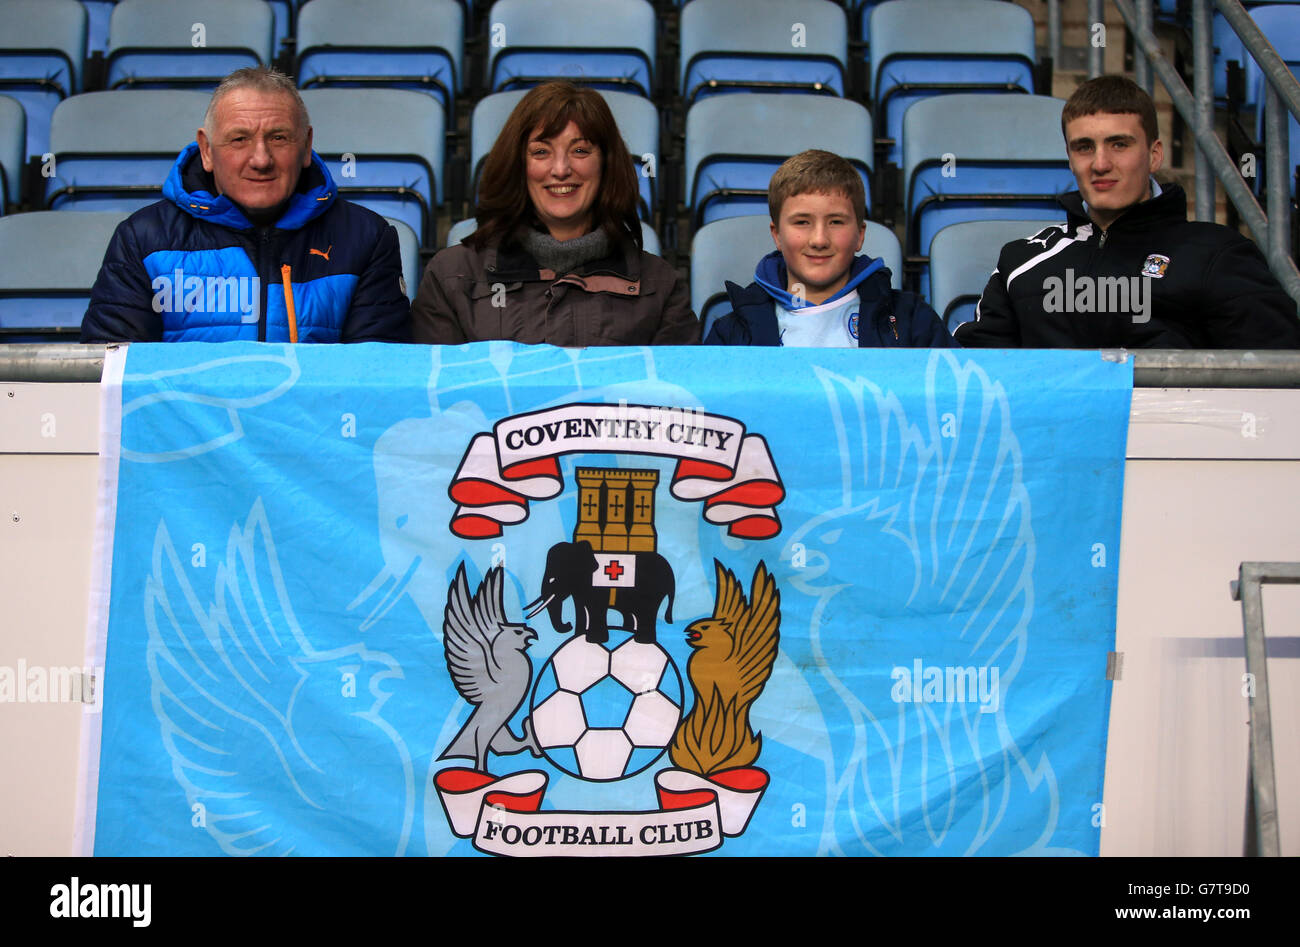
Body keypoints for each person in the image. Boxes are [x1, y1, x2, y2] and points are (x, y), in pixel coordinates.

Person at [956, 75, 1300, 348]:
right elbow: (979, 381)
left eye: (1119, 144)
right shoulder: (1020, 262)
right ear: (1070, 158)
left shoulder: (1217, 255)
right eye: (1084, 147)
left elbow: (1277, 378)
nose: (1101, 164)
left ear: (1154, 155)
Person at [81, 66, 410, 343]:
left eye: (279, 137)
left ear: (307, 145)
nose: (261, 159)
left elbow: (377, 383)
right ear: (207, 150)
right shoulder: (143, 240)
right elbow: (112, 383)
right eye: (239, 139)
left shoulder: (366, 238)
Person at [412, 81, 698, 346]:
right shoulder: (451, 276)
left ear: (607, 165)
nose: (561, 169)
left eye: (580, 151)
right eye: (541, 152)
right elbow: (435, 396)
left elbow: (676, 396)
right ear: (517, 165)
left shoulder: (660, 286)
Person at [704, 150, 955, 348]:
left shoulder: (912, 322)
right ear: (777, 235)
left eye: (836, 222)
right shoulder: (732, 333)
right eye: (802, 222)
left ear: (860, 235)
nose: (819, 239)